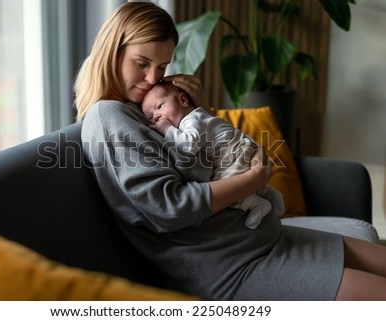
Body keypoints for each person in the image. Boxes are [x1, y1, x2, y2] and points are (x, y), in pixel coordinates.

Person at [75, 1, 386, 300]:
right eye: (142, 63)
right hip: (232, 268)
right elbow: (170, 208)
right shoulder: (109, 118)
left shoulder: (139, 107)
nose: (154, 78)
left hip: (262, 240)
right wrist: (255, 178)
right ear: (112, 51)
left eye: (162, 66)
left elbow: (205, 161)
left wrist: (202, 109)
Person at [141, 81, 284, 229]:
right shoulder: (197, 117)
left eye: (159, 106)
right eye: (151, 117)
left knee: (226, 188)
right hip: (238, 148)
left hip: (233, 152)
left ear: (183, 100)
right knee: (234, 183)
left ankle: (258, 204)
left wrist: (167, 129)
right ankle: (268, 193)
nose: (157, 116)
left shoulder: (192, 120)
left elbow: (188, 146)